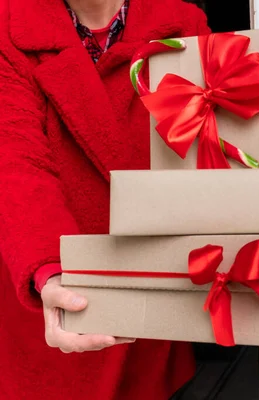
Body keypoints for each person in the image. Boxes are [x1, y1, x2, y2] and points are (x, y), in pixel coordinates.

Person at [0, 0, 211, 398]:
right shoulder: (11, 27)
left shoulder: (183, 23)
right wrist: (49, 269)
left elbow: (212, 144)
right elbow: (15, 161)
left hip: (150, 290)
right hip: (49, 290)